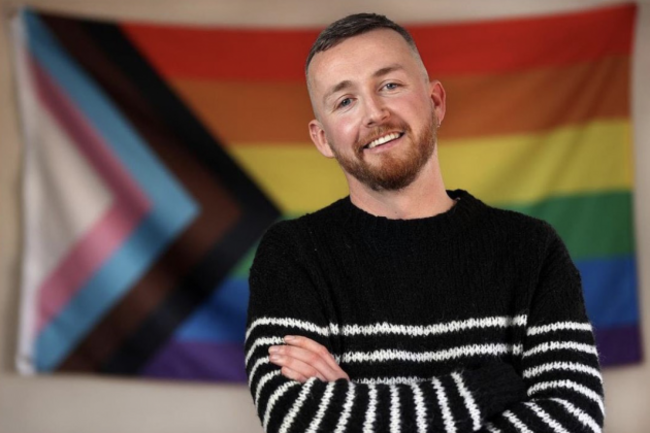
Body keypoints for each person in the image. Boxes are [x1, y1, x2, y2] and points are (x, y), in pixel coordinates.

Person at [245, 13, 604, 433]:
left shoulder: (531, 248)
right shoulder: (292, 254)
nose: (374, 113)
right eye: (345, 101)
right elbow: (294, 416)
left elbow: (573, 417)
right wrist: (486, 388)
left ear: (435, 102)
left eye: (390, 85)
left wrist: (354, 406)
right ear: (322, 137)